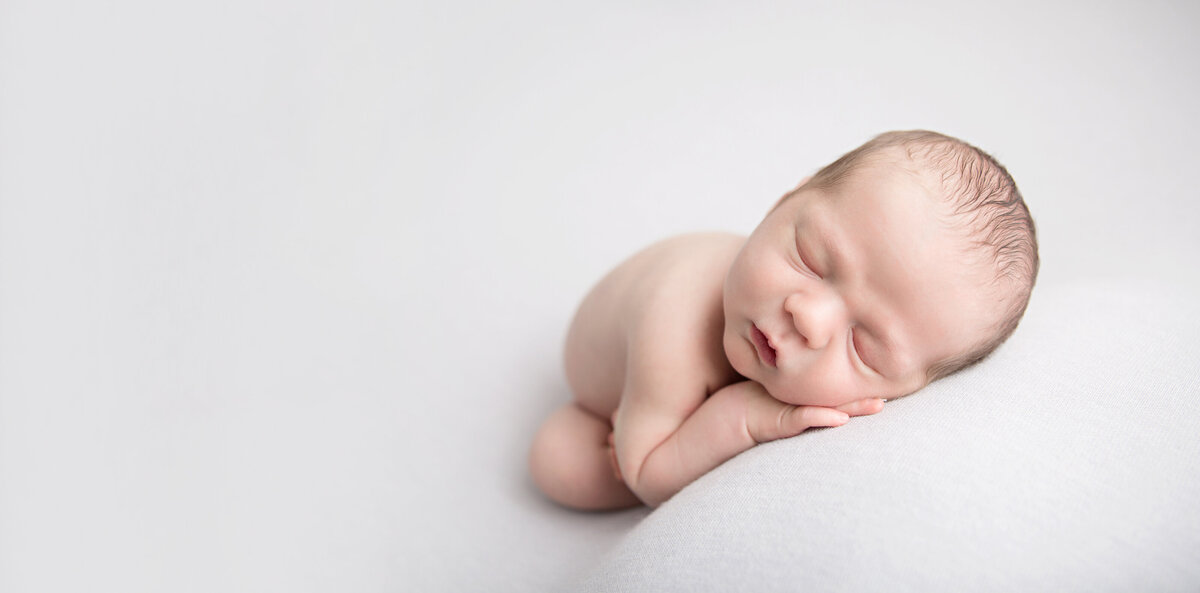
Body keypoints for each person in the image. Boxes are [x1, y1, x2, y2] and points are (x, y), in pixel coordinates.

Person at [529, 130, 1039, 511]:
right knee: (558, 463)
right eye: (811, 259)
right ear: (783, 203)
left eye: (864, 347)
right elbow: (645, 472)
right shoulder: (674, 327)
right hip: (606, 398)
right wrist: (747, 417)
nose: (808, 319)